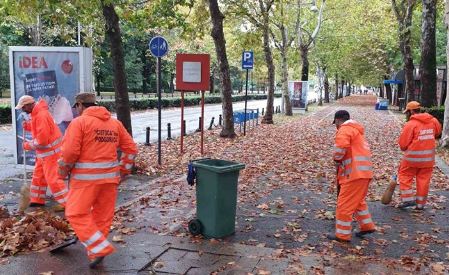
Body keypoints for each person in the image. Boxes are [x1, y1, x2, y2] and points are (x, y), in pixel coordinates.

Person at [58, 93, 137, 268]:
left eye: (76, 107)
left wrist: (62, 172)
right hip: (110, 180)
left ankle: (99, 248)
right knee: (102, 216)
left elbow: (69, 153)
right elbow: (131, 148)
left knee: (75, 213)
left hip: (85, 181)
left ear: (79, 105)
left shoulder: (79, 123)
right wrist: (124, 170)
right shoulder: (114, 123)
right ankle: (95, 252)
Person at [328, 110, 376, 242]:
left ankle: (342, 235)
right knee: (357, 202)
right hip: (364, 173)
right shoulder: (357, 132)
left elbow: (340, 147)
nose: (336, 126)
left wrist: (336, 160)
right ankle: (366, 226)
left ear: (338, 120)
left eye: (336, 123)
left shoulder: (345, 129)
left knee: (344, 205)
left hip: (353, 174)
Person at [15, 95, 68, 209]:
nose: (22, 110)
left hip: (51, 154)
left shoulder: (40, 115)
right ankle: (37, 200)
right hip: (44, 153)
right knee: (38, 177)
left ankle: (67, 204)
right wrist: (28, 126)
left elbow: (42, 141)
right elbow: (39, 129)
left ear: (29, 105)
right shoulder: (37, 113)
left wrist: (27, 145)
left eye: (23, 107)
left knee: (53, 180)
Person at [397, 101, 442, 210]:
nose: (407, 114)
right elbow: (437, 133)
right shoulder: (433, 121)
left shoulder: (411, 124)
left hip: (411, 159)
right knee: (424, 180)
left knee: (404, 176)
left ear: (411, 111)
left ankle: (408, 200)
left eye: (407, 112)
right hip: (428, 159)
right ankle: (420, 204)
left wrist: (405, 148)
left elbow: (403, 144)